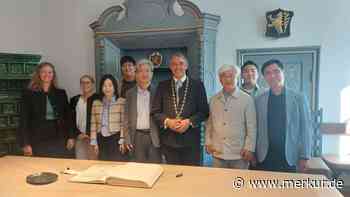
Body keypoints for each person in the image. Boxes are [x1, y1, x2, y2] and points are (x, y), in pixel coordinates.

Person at [254, 59, 312, 172]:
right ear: (264, 77)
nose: (273, 75)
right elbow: (255, 129)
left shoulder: (298, 98)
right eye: (268, 73)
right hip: (265, 154)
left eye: (276, 71)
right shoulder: (259, 100)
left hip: (289, 155)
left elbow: (306, 129)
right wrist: (253, 153)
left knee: (286, 188)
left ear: (283, 73)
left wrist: (305, 156)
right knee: (263, 188)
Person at [152, 53, 209, 166]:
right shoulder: (162, 86)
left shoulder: (197, 85)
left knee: (191, 178)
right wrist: (168, 122)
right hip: (169, 142)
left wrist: (189, 122)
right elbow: (155, 112)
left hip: (191, 141)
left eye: (181, 63)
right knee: (172, 177)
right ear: (170, 67)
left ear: (186, 66)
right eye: (174, 64)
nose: (178, 67)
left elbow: (204, 111)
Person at [17, 62, 75, 158]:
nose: (47, 75)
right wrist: (25, 143)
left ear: (53, 75)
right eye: (43, 72)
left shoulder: (61, 93)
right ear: (38, 74)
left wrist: (71, 137)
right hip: (37, 138)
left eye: (50, 72)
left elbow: (68, 117)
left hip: (59, 137)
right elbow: (24, 120)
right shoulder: (28, 94)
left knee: (58, 165)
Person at [205, 64, 256, 169]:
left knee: (237, 184)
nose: (228, 79)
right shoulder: (214, 99)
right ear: (220, 79)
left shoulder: (247, 99)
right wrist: (208, 142)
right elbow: (209, 124)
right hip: (218, 152)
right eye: (224, 76)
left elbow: (252, 126)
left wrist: (249, 148)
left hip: (239, 154)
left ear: (237, 78)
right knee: (218, 184)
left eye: (231, 76)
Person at [121, 59, 161, 163]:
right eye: (141, 71)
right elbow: (126, 118)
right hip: (136, 136)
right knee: (139, 169)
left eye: (147, 71)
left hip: (154, 137)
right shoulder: (129, 93)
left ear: (152, 74)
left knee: (155, 168)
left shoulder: (158, 92)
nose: (144, 74)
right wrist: (127, 138)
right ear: (136, 74)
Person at [90, 74, 125, 161]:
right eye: (104, 85)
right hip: (101, 138)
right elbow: (93, 124)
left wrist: (122, 139)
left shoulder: (121, 101)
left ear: (114, 87)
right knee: (102, 164)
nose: (107, 88)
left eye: (110, 85)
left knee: (115, 165)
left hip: (115, 138)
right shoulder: (96, 103)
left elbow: (123, 123)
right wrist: (94, 141)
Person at [70, 75, 98, 160]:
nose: (85, 85)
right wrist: (77, 134)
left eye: (87, 82)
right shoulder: (74, 100)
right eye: (82, 83)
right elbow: (70, 120)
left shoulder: (98, 98)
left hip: (94, 138)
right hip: (79, 138)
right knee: (81, 163)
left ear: (93, 84)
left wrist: (91, 135)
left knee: (94, 165)